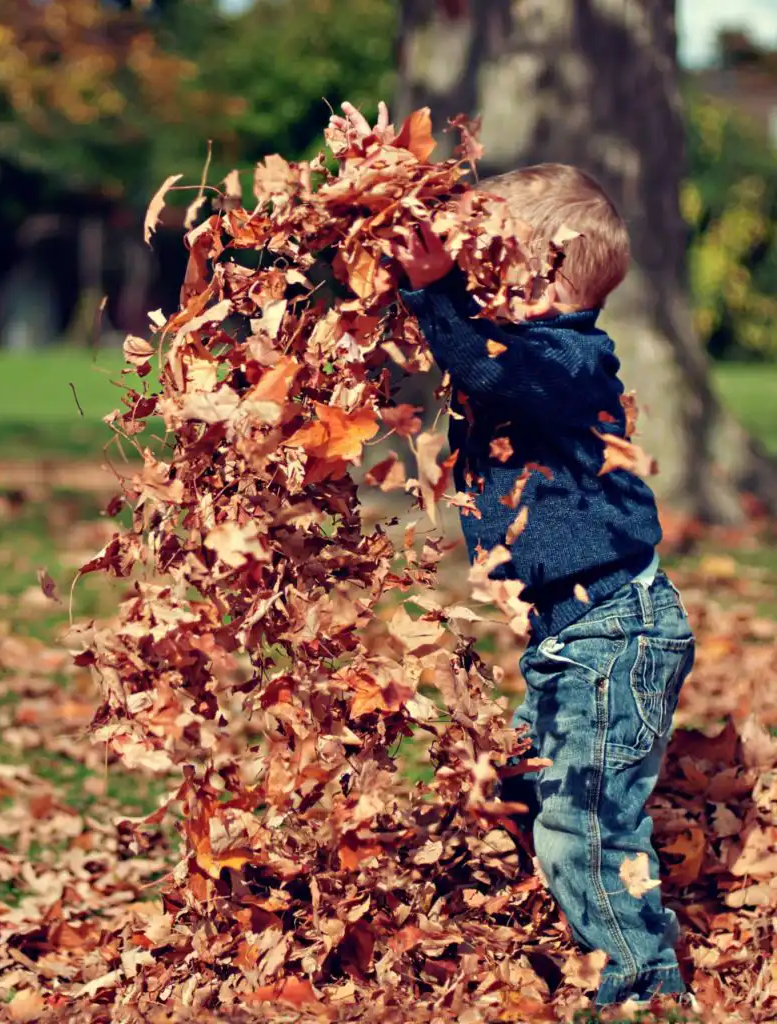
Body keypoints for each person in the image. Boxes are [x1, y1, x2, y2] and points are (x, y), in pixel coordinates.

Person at [330, 103, 697, 1008]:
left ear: (538, 278)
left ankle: (645, 992)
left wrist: (435, 292)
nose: (472, 279)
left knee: (587, 825)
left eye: (488, 261)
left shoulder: (569, 361)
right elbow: (472, 358)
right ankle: (593, 933)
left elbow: (488, 368)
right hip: (576, 636)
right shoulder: (524, 349)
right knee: (540, 793)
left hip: (615, 632)